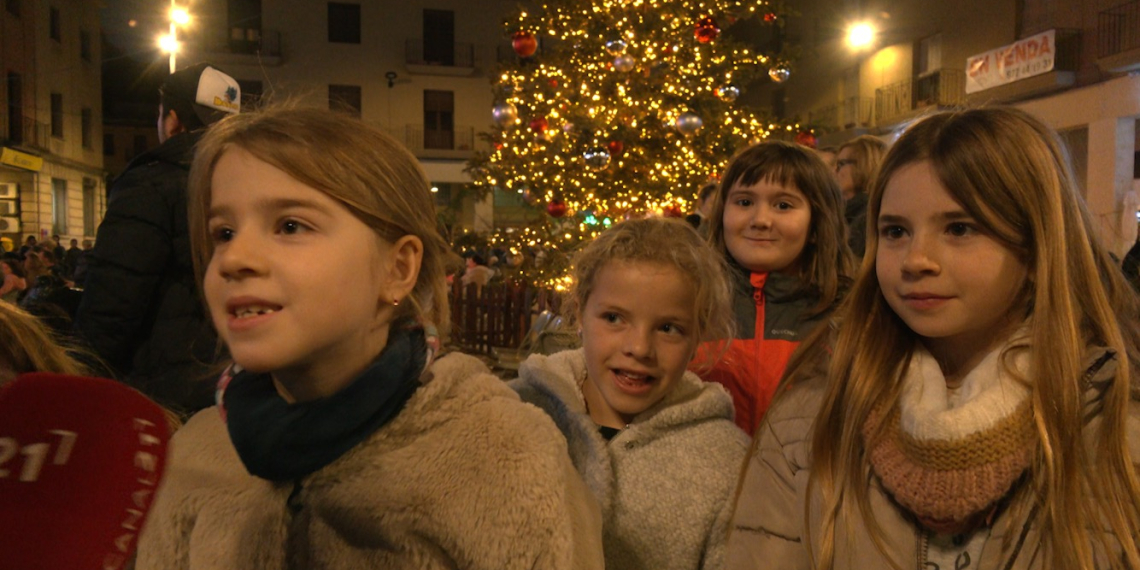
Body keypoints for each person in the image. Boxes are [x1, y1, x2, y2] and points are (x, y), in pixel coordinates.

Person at [136, 106, 603, 569]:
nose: (235, 257)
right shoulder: (195, 456)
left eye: (291, 226)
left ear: (397, 269)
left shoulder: (507, 459)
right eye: (224, 232)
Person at [727, 107, 1140, 570]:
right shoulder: (811, 415)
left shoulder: (1115, 425)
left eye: (960, 229)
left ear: (1039, 242)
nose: (916, 259)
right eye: (896, 231)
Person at [510, 216, 746, 570]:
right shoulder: (512, 415)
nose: (639, 348)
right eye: (614, 319)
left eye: (668, 328)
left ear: (698, 334)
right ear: (579, 313)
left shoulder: (726, 463)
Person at [74, 63, 241, 414]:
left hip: (162, 394)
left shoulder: (151, 185)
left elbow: (111, 308)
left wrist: (77, 381)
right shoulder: (254, 182)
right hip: (237, 383)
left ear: (172, 120)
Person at [692, 140, 854, 435]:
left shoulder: (849, 312)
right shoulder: (689, 303)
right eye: (744, 202)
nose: (760, 220)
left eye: (783, 205)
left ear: (817, 222)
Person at [834, 134, 887, 258]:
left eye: (841, 164)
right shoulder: (844, 211)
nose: (834, 171)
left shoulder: (869, 215)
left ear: (865, 165)